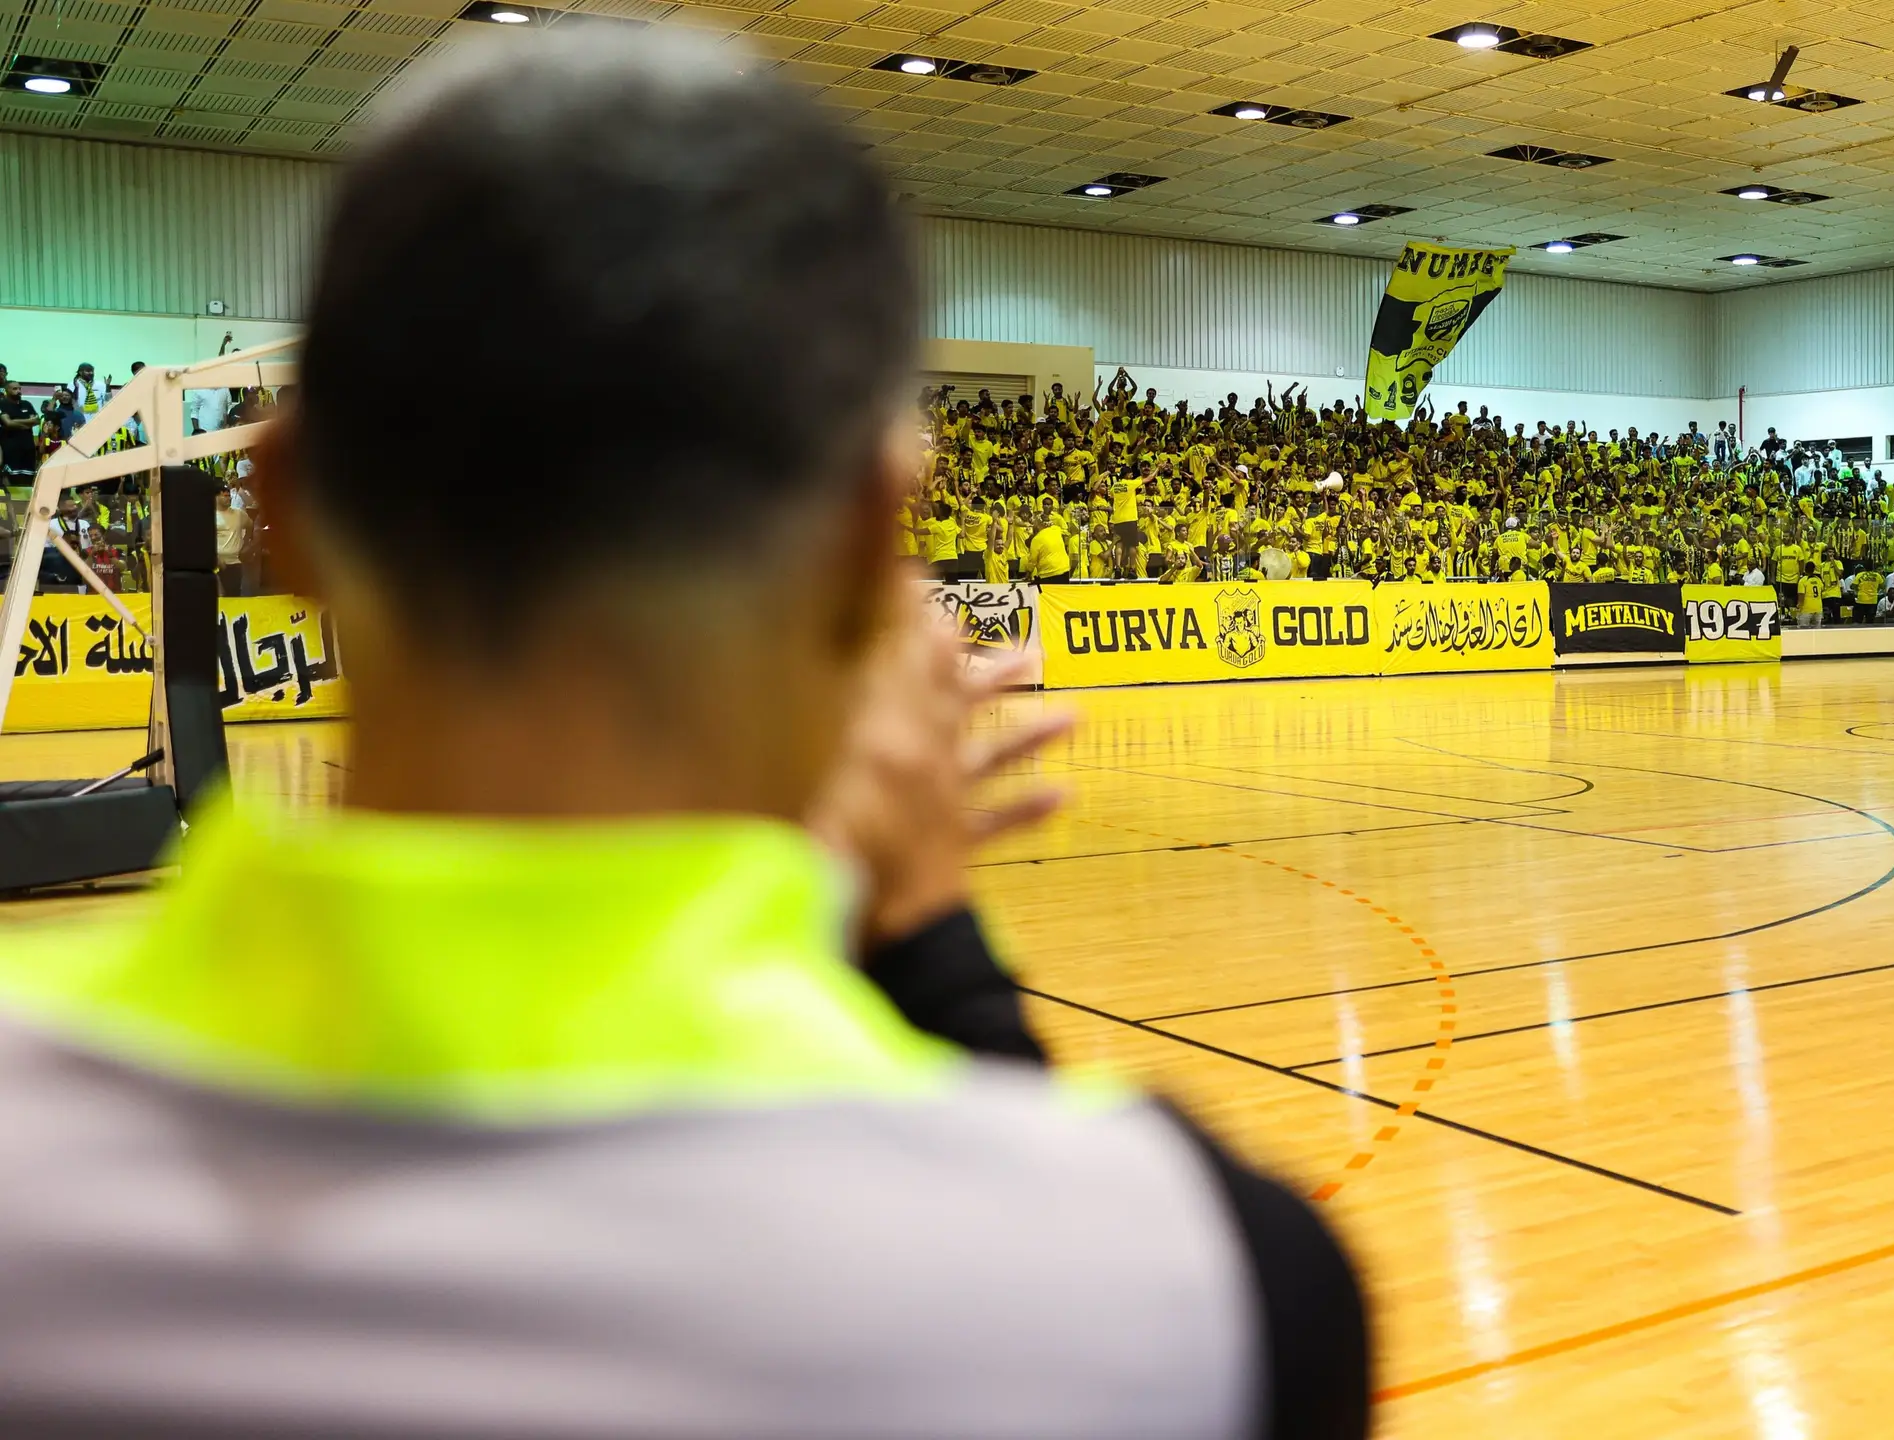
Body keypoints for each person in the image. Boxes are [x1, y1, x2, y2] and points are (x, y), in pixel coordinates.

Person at [0, 29, 1368, 1440]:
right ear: (870, 542)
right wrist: (928, 954)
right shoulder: (1205, 1288)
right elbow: (1033, 1259)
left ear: (281, 510)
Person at [0, 379, 38, 480]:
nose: (18, 391)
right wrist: (27, 422)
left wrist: (15, 422)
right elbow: (8, 423)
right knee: (11, 480)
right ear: (7, 390)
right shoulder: (2, 404)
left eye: (19, 388)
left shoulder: (27, 404)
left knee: (28, 480)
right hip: (10, 448)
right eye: (15, 389)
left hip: (28, 448)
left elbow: (36, 421)